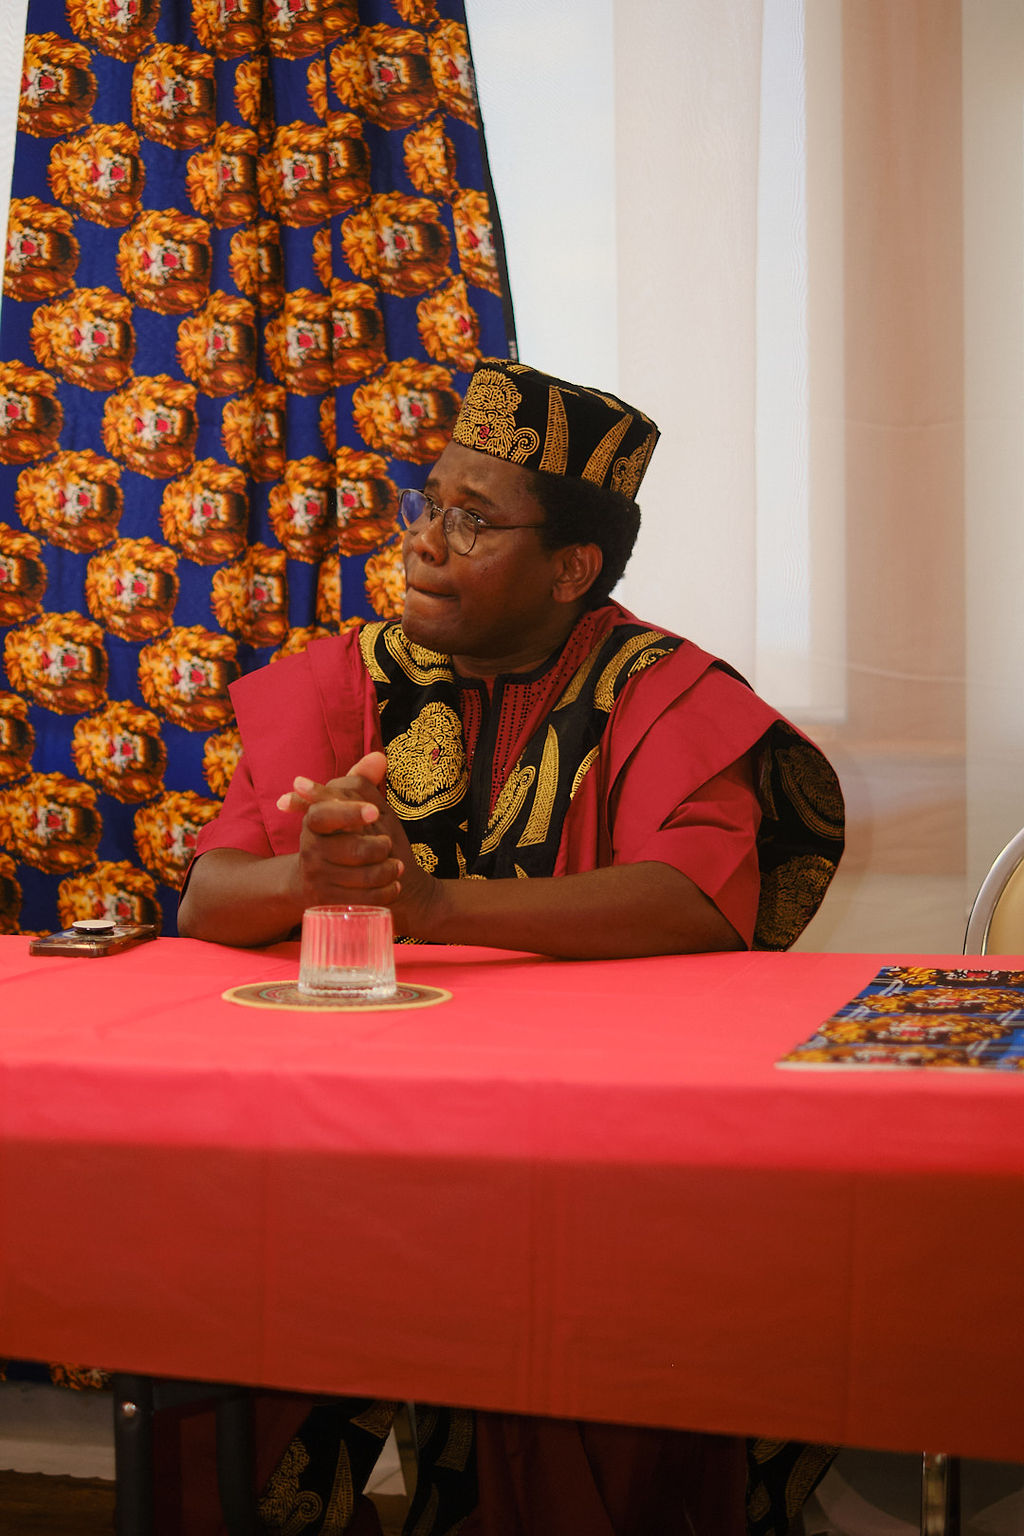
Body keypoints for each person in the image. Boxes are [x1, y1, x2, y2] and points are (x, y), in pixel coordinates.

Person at [178, 359, 845, 1536]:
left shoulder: (659, 688)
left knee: (604, 1368)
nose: (422, 542)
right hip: (351, 1137)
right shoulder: (345, 681)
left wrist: (435, 908)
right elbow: (207, 901)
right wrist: (310, 877)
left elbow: (693, 902)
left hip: (588, 1145)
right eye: (426, 503)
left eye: (471, 521)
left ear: (570, 570)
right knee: (222, 1311)